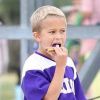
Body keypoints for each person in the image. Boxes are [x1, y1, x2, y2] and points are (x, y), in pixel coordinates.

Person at [21, 5, 86, 100]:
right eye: (52, 32)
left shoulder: (68, 62)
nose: (58, 36)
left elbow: (79, 95)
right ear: (38, 36)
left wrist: (62, 63)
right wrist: (60, 67)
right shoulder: (33, 65)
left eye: (62, 31)